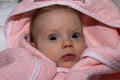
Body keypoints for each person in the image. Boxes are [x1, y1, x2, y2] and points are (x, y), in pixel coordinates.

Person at [0, 0, 120, 80]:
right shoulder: (26, 65)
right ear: (34, 46)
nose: (67, 43)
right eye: (53, 38)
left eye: (75, 35)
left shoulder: (94, 69)